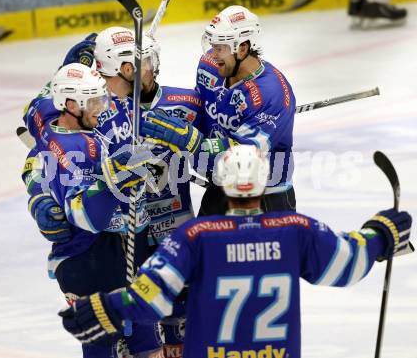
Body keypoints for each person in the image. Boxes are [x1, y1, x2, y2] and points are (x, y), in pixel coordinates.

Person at [58, 144, 413, 358]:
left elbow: (150, 297)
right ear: (264, 182)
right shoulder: (295, 231)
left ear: (222, 184)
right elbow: (348, 262)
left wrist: (105, 308)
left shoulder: (195, 236)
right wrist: (381, 234)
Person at [24, 62, 163, 358]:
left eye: (103, 98)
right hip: (89, 258)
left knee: (147, 337)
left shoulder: (46, 117)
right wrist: (119, 176)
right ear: (71, 105)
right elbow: (86, 217)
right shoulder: (79, 150)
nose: (103, 108)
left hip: (107, 251)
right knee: (118, 344)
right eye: (96, 102)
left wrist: (35, 188)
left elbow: (33, 128)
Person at [140, 5, 296, 216]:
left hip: (265, 196)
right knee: (203, 247)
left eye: (220, 48)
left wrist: (190, 140)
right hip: (220, 186)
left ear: (242, 48)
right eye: (212, 45)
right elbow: (200, 108)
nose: (213, 54)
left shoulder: (272, 94)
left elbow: (243, 160)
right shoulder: (210, 66)